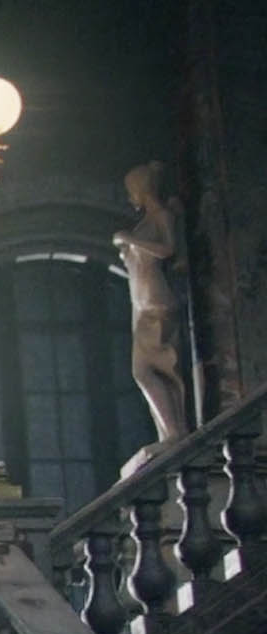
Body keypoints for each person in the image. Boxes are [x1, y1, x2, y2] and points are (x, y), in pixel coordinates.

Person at [114, 160, 190, 449]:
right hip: (141, 301)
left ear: (141, 188)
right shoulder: (145, 222)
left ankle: (174, 434)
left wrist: (131, 240)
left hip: (156, 299)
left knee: (148, 369)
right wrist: (128, 249)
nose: (129, 196)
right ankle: (169, 433)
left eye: (130, 190)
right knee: (145, 369)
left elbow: (168, 249)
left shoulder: (162, 216)